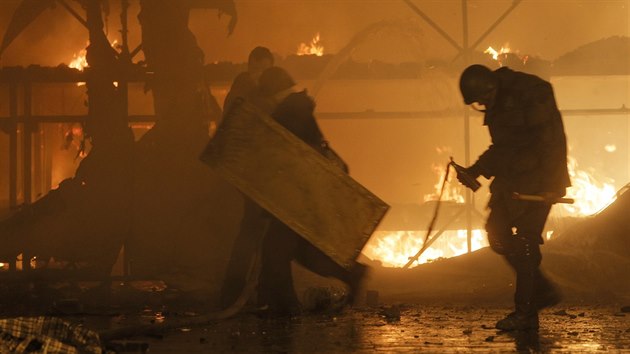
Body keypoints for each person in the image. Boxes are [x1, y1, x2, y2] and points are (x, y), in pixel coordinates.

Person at [456, 64, 571, 331]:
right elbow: (504, 147)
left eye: (483, 99)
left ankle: (525, 315)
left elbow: (551, 141)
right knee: (497, 234)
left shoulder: (532, 93)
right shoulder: (497, 103)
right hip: (512, 183)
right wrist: (476, 171)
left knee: (526, 244)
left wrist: (552, 185)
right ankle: (541, 290)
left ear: (491, 88)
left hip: (540, 183)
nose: (482, 105)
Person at [253, 66, 365, 315]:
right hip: (299, 194)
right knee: (297, 251)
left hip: (294, 195)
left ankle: (284, 307)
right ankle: (349, 275)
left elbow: (288, 155)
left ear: (272, 92)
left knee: (276, 250)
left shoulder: (288, 113)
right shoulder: (298, 108)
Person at [220, 46, 275, 308]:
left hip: (253, 170)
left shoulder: (250, 92)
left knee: (254, 229)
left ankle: (240, 290)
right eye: (260, 68)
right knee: (252, 229)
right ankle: (236, 291)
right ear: (252, 65)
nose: (262, 74)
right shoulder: (243, 90)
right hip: (246, 170)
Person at [222, 46, 274, 118]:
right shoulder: (238, 90)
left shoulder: (277, 91)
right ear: (248, 68)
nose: (260, 74)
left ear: (271, 70)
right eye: (255, 69)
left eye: (264, 70)